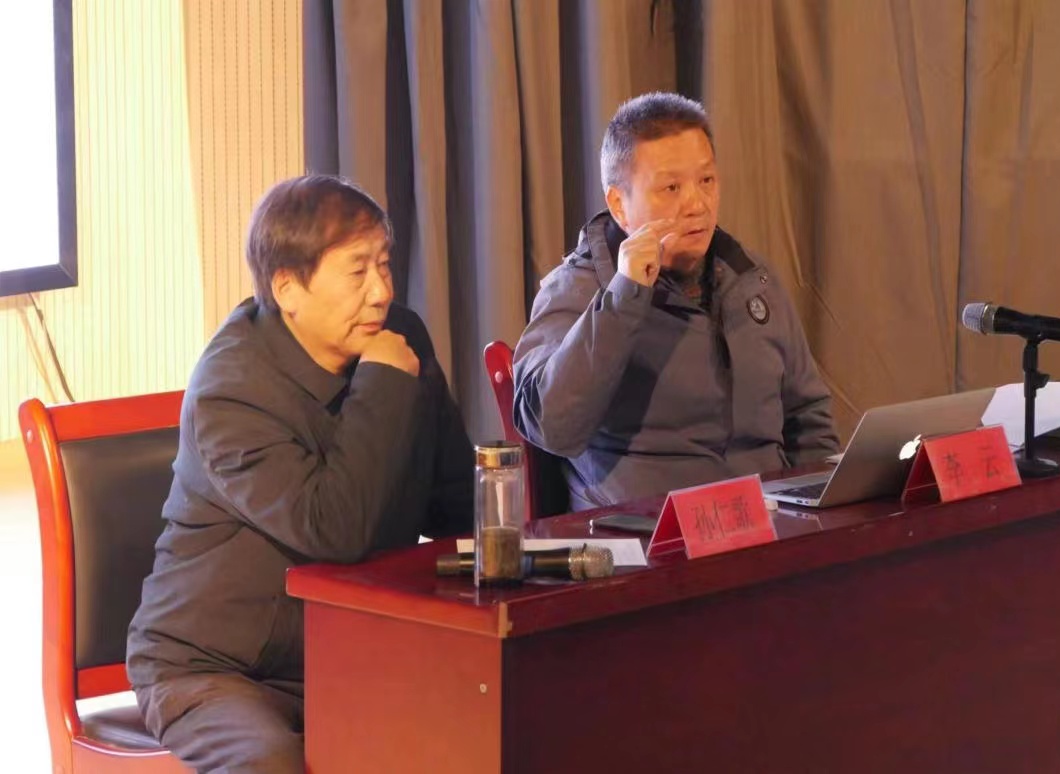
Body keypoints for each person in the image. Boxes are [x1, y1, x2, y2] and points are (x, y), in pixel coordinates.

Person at [127, 175, 472, 773]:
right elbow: (332, 529)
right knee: (271, 762)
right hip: (216, 668)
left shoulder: (399, 339)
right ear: (287, 287)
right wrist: (383, 385)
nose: (381, 292)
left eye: (384, 265)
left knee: (492, 718)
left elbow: (455, 503)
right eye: (357, 271)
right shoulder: (231, 392)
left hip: (349, 650)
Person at [513, 92, 838, 511]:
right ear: (619, 205)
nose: (697, 204)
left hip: (769, 523)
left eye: (707, 181)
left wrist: (823, 512)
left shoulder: (750, 279)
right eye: (671, 187)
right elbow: (552, 427)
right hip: (645, 530)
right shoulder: (577, 288)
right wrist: (625, 294)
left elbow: (808, 417)